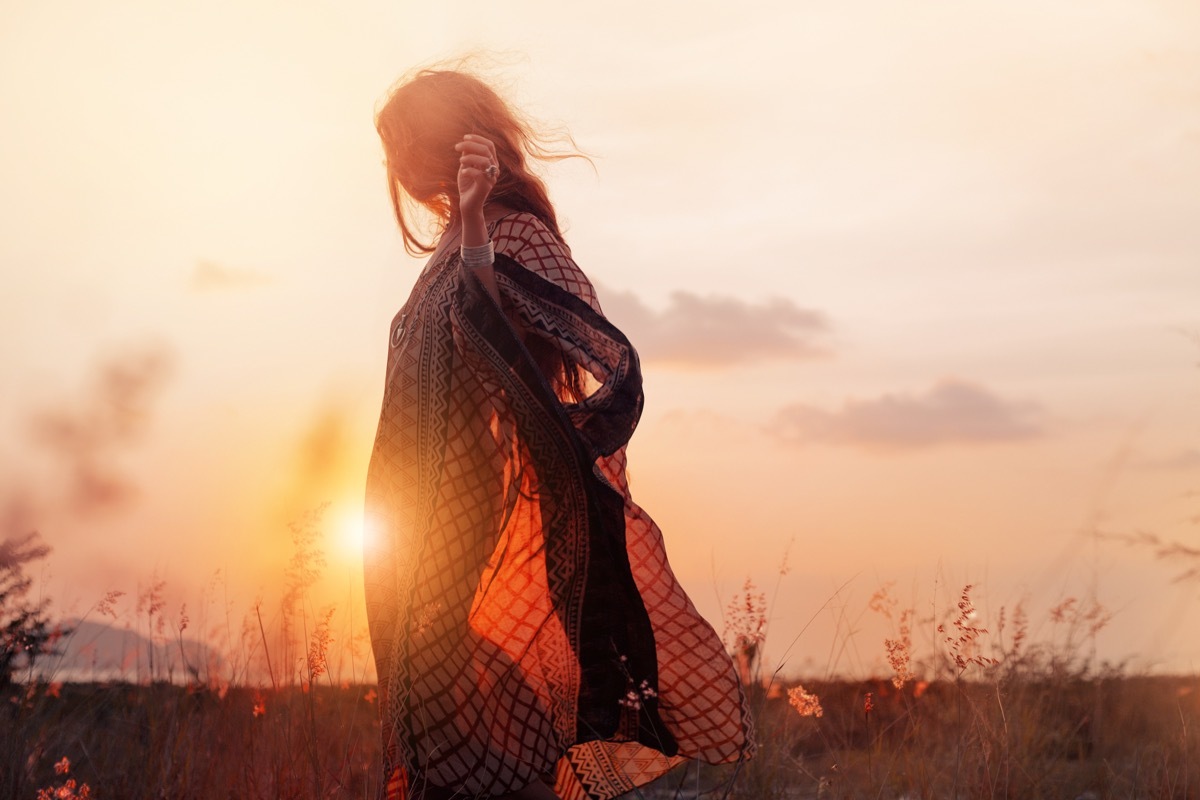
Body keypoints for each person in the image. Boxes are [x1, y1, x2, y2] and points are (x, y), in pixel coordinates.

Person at [363, 67, 754, 800]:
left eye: (404, 144)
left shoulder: (505, 226)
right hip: (406, 497)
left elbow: (538, 337)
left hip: (462, 489)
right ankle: (511, 774)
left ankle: (523, 776)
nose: (399, 168)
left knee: (435, 671)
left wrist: (477, 222)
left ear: (446, 137)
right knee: (420, 674)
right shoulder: (453, 239)